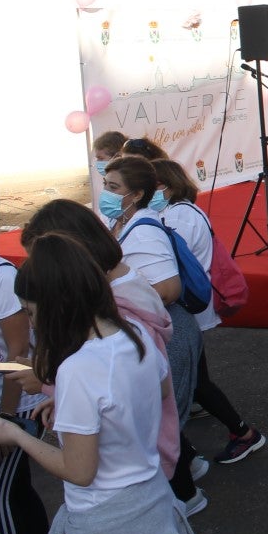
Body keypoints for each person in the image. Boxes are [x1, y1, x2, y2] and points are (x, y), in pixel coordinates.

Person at [0, 233, 202, 534]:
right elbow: (158, 392)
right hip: (153, 504)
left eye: (31, 311)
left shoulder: (78, 369)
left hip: (107, 530)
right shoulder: (134, 333)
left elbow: (79, 471)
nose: (32, 322)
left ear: (58, 304)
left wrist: (16, 434)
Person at [100, 155, 207, 514]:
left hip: (166, 334)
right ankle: (188, 469)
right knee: (163, 418)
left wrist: (116, 298)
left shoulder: (143, 229)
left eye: (115, 188)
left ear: (138, 193)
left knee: (160, 420)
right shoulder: (125, 221)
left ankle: (185, 498)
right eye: (107, 185)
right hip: (154, 332)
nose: (107, 193)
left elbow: (168, 288)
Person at [149, 160, 265, 464]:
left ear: (168, 187)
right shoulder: (176, 212)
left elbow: (170, 270)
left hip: (185, 311)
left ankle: (239, 434)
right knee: (194, 382)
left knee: (192, 383)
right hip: (186, 311)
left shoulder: (179, 216)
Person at [0, 203, 50, 534]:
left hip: (16, 403)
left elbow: (17, 356)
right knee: (15, 487)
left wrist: (6, 419)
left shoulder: (1, 277)